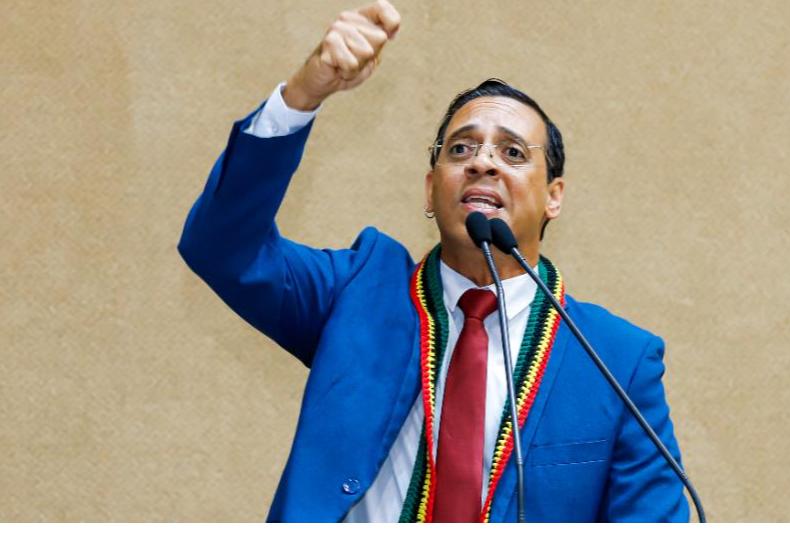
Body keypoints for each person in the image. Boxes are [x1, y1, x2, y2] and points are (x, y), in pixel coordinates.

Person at [178, 0, 690, 523]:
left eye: (513, 153)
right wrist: (304, 94)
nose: (483, 162)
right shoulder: (357, 294)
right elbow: (221, 247)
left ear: (553, 197)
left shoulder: (616, 359)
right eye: (461, 149)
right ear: (430, 189)